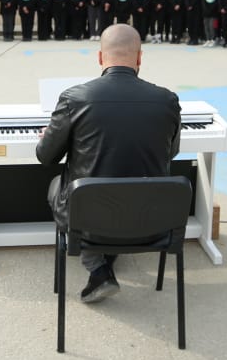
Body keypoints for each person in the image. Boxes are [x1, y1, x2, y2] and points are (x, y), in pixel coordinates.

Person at [36, 24, 182, 303]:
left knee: (60, 184)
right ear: (140, 58)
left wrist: (52, 136)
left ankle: (97, 265)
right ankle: (109, 252)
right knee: (118, 186)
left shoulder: (74, 98)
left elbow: (46, 157)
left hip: (91, 213)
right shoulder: (167, 100)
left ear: (100, 57)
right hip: (151, 217)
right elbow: (171, 152)